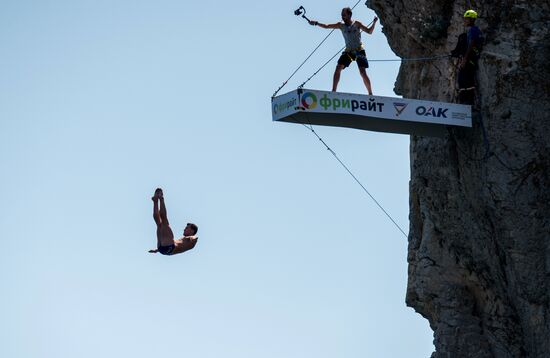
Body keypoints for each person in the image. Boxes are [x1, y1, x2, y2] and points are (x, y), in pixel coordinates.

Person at [309, 7, 378, 94]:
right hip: (348, 51)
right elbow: (327, 26)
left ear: (349, 15)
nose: (342, 17)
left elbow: (369, 31)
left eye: (344, 15)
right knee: (338, 68)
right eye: (342, 15)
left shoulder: (357, 24)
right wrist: (316, 23)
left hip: (359, 50)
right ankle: (333, 91)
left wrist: (374, 23)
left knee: (362, 72)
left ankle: (370, 93)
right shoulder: (340, 25)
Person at [149, 188, 198, 256]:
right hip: (162, 248)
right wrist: (156, 250)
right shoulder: (184, 240)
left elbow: (194, 238)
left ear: (192, 231)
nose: (184, 229)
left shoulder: (192, 239)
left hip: (169, 247)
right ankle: (155, 202)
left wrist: (192, 238)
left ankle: (161, 198)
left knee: (164, 221)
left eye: (187, 228)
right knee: (159, 224)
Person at [451, 9, 483, 104]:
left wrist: (465, 59)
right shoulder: (470, 31)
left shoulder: (473, 30)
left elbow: (471, 44)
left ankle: (467, 101)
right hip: (469, 58)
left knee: (465, 80)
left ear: (471, 20)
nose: (464, 21)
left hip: (470, 59)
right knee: (463, 79)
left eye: (466, 19)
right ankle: (465, 100)